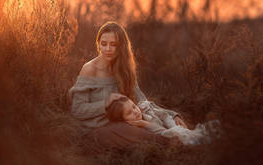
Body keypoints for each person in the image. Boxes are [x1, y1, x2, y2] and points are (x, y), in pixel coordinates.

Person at [68, 21, 187, 150]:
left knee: (149, 125)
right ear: (98, 44)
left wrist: (172, 114)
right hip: (97, 129)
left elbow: (142, 101)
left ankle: (177, 139)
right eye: (104, 44)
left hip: (123, 123)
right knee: (134, 132)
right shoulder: (90, 69)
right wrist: (105, 103)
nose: (108, 49)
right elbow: (77, 109)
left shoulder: (124, 69)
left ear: (121, 47)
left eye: (113, 44)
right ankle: (176, 143)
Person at [106, 96, 221, 145]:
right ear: (125, 120)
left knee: (213, 128)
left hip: (175, 127)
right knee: (201, 137)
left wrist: (174, 120)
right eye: (129, 113)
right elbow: (162, 133)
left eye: (133, 107)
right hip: (175, 135)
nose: (135, 111)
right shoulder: (139, 128)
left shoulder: (145, 108)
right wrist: (146, 124)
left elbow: (163, 113)